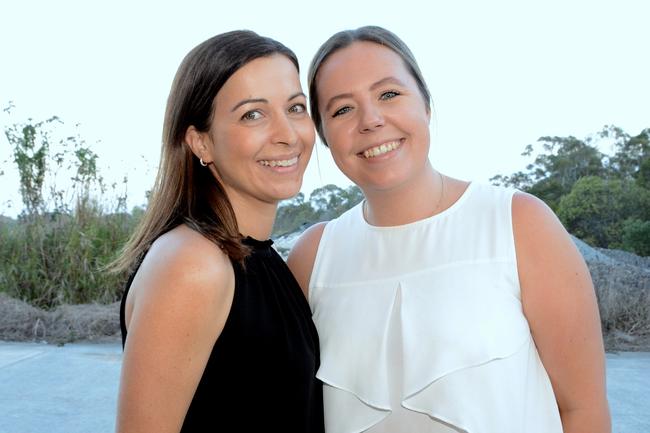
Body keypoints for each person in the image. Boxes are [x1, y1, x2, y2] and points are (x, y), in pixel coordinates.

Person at [288, 26, 610, 433]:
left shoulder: (519, 223)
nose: (371, 120)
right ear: (324, 137)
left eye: (389, 94)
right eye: (342, 110)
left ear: (425, 104)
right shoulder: (313, 256)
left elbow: (583, 410)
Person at [112, 30, 324, 433]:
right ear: (201, 143)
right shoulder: (193, 264)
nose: (287, 134)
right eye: (253, 114)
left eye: (295, 108)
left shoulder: (261, 260)